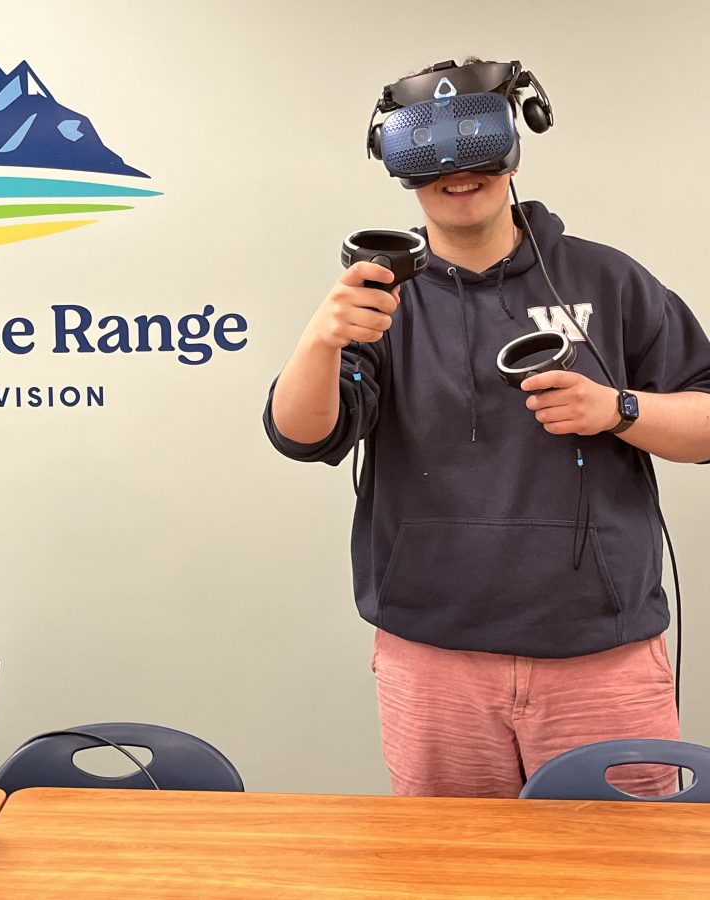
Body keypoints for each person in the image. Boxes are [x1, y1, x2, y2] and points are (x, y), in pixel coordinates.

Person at [264, 59, 710, 798]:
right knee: (449, 859)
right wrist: (322, 337)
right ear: (394, 161)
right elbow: (304, 435)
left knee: (623, 857)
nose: (455, 168)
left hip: (601, 657)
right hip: (433, 657)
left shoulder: (608, 280)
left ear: (515, 145)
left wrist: (618, 409)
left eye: (475, 138)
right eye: (427, 147)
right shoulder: (379, 299)